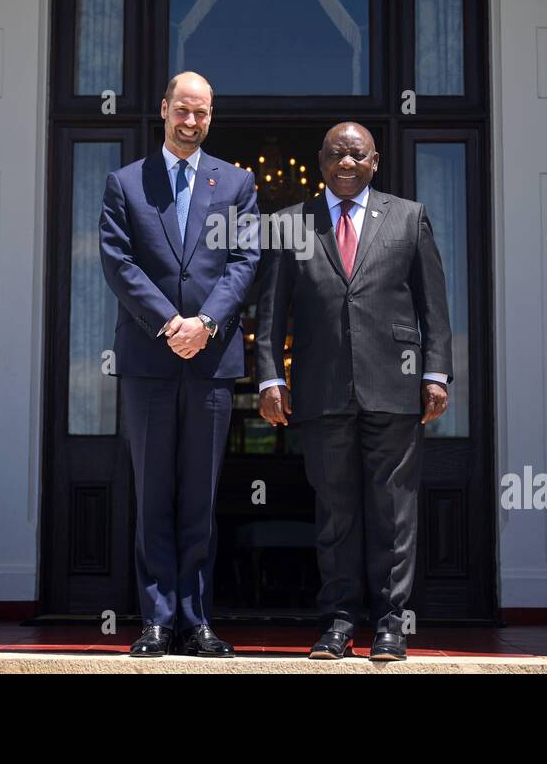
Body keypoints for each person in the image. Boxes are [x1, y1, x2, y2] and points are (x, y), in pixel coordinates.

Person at [255, 121, 452, 660]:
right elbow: (270, 311)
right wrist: (271, 376)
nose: (346, 163)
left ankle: (390, 623)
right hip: (320, 390)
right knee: (336, 512)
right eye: (336, 154)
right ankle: (338, 623)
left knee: (393, 510)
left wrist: (435, 372)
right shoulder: (290, 223)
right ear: (320, 160)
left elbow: (433, 302)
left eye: (356, 154)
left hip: (395, 385)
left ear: (375, 160)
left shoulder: (409, 217)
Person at [98, 71, 259, 657]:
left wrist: (206, 324)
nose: (192, 122)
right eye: (183, 110)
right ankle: (157, 622)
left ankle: (197, 622)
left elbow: (245, 260)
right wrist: (170, 324)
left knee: (200, 497)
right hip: (149, 361)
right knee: (153, 494)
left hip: (211, 364)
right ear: (163, 108)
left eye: (203, 113)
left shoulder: (237, 183)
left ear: (212, 116)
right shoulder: (126, 183)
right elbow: (118, 263)